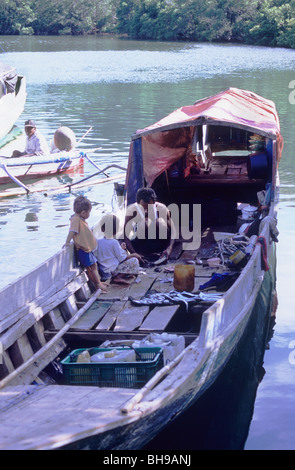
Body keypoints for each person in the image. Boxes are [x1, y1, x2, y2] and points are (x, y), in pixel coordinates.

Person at [63, 195, 107, 291]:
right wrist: (67, 242)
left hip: (87, 248)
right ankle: (98, 284)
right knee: (92, 267)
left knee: (93, 266)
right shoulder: (76, 220)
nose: (89, 215)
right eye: (89, 212)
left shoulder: (80, 219)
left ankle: (98, 282)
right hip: (83, 249)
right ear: (83, 212)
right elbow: (72, 231)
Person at [124, 187, 175, 261]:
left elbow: (173, 231)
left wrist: (169, 248)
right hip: (142, 247)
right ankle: (143, 254)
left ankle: (161, 252)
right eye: (143, 208)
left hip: (160, 244)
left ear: (154, 203)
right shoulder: (131, 211)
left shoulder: (162, 209)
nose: (146, 211)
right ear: (138, 203)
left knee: (159, 222)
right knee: (144, 223)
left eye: (149, 207)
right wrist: (134, 253)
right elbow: (125, 235)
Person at [95, 214, 143, 285]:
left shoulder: (98, 242)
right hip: (113, 271)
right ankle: (118, 277)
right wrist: (134, 255)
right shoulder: (114, 242)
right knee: (135, 260)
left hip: (104, 273)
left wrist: (121, 249)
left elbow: (108, 253)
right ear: (116, 230)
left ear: (102, 229)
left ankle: (117, 277)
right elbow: (122, 258)